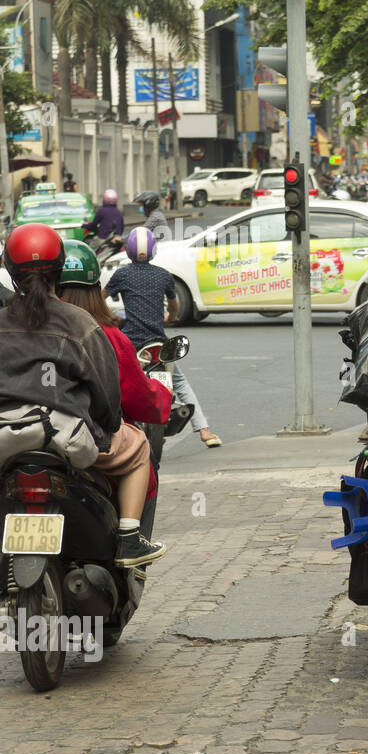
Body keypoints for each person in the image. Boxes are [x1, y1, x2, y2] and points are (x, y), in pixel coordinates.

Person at [0, 224, 166, 567]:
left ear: (11, 271)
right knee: (138, 447)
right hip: (67, 442)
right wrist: (107, 429)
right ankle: (130, 538)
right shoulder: (82, 324)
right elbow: (107, 397)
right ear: (58, 269)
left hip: (4, 438)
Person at [105, 227, 222, 448]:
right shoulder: (163, 275)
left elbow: (100, 298)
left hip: (133, 343)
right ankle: (204, 431)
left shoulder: (121, 275)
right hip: (159, 343)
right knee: (179, 382)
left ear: (129, 251)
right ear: (153, 250)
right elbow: (174, 305)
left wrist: (112, 318)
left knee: (116, 380)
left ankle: (114, 428)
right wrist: (171, 317)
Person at [58, 240, 172, 436]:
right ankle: (203, 427)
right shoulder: (108, 335)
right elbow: (138, 397)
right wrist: (164, 393)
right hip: (93, 440)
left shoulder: (19, 328)